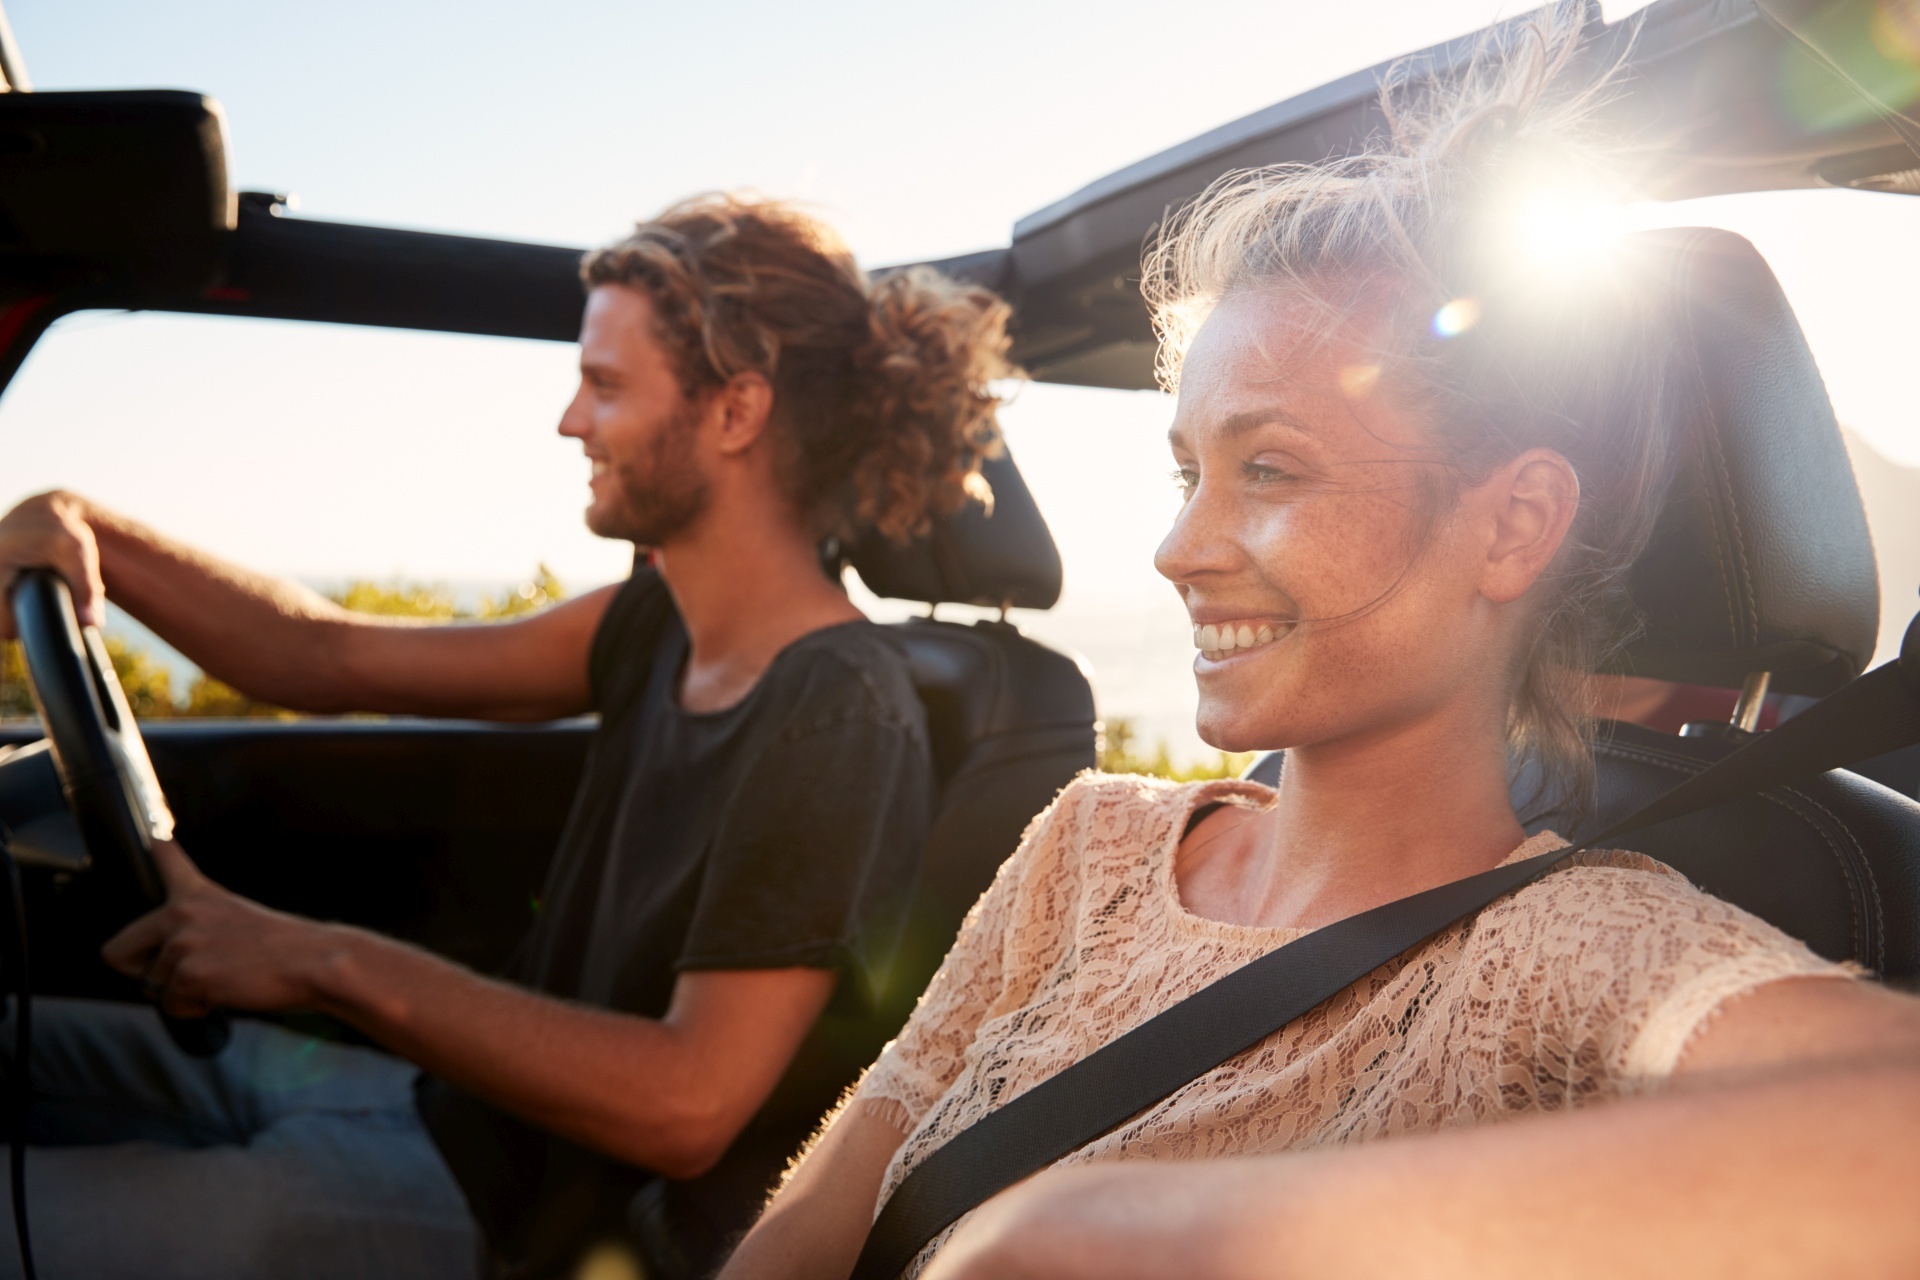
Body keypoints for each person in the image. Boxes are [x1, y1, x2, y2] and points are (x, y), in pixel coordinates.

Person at [718, 20, 1920, 1280]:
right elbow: (832, 1201)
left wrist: (1122, 1233)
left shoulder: (1568, 953)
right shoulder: (1087, 848)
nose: (1179, 546)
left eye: (1270, 468)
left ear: (1510, 527)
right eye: (1188, 471)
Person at [0, 194, 1014, 1280]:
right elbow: (328, 657)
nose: (571, 420)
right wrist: (81, 523)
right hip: (444, 1113)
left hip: (517, 1217)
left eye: (606, 384)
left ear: (736, 411)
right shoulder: (652, 624)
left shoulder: (841, 709)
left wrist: (316, 957)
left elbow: (686, 1102)